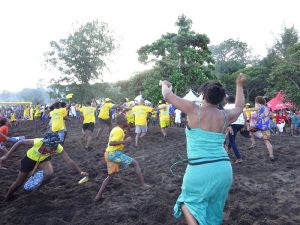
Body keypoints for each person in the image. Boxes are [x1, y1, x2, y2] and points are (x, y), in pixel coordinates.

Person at [161, 73, 246, 225]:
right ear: (220, 99)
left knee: (185, 202)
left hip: (200, 169)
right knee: (214, 210)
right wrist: (239, 85)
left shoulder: (194, 109)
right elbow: (239, 106)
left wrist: (165, 84)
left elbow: (167, 95)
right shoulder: (226, 115)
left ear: (203, 96)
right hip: (224, 169)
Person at [0, 132, 88, 200]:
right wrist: (6, 156)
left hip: (43, 160)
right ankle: (7, 196)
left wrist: (80, 171)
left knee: (49, 174)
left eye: (55, 147)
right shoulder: (38, 142)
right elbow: (20, 142)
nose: (53, 150)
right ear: (45, 144)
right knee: (18, 183)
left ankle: (37, 186)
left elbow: (68, 160)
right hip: (29, 159)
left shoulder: (57, 147)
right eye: (51, 148)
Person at [94, 114, 150, 201]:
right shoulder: (118, 131)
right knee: (135, 163)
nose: (128, 122)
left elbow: (117, 137)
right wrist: (125, 141)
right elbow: (112, 143)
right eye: (126, 121)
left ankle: (98, 196)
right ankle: (143, 185)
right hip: (114, 154)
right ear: (123, 122)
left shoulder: (117, 129)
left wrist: (125, 132)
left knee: (110, 176)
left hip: (109, 154)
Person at [248, 96, 275, 160]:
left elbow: (255, 109)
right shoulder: (267, 108)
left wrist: (245, 109)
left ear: (257, 102)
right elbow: (271, 116)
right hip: (266, 127)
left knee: (250, 130)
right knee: (267, 141)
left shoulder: (259, 106)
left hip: (259, 126)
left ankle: (253, 143)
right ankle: (271, 155)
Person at [224, 96, 246, 163]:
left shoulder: (226, 106)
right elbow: (245, 116)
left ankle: (239, 158)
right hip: (241, 124)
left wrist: (228, 125)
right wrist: (244, 125)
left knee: (232, 141)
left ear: (227, 101)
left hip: (233, 124)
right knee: (232, 139)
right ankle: (228, 151)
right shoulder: (238, 106)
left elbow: (225, 116)